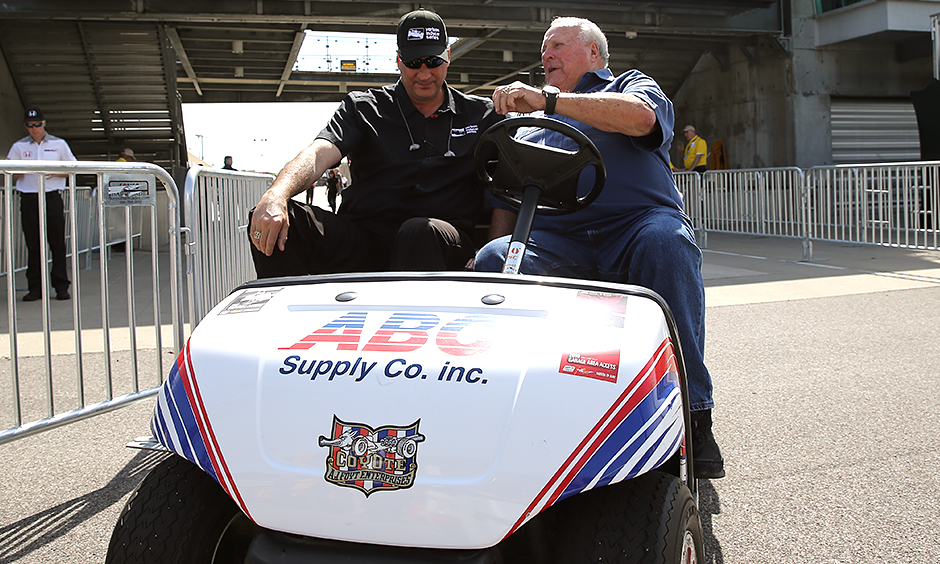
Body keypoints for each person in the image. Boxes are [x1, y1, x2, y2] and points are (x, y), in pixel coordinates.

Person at [475, 17, 724, 479]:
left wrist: (550, 100)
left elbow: (643, 119)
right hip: (559, 242)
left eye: (558, 46)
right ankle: (518, 410)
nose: (546, 55)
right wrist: (495, 247)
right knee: (495, 259)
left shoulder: (629, 85)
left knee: (665, 242)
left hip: (635, 226)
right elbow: (508, 200)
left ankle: (693, 414)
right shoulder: (531, 122)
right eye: (544, 48)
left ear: (593, 54)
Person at [248, 9, 502, 276]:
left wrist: (491, 259)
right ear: (399, 61)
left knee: (417, 231)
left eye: (433, 61)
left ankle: (408, 315)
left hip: (439, 242)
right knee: (273, 218)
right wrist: (276, 195)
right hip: (365, 239)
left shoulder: (483, 115)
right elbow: (319, 153)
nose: (424, 73)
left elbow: (506, 192)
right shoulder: (363, 108)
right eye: (415, 63)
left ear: (448, 57)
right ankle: (290, 312)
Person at [5, 106, 75, 301]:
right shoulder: (19, 147)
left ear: (44, 123)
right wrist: (25, 170)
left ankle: (61, 286)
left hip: (51, 196)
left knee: (57, 243)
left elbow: (72, 169)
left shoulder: (59, 144)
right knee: (33, 245)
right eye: (30, 126)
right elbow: (10, 173)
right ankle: (35, 288)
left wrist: (54, 172)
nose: (34, 129)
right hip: (29, 198)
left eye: (37, 125)